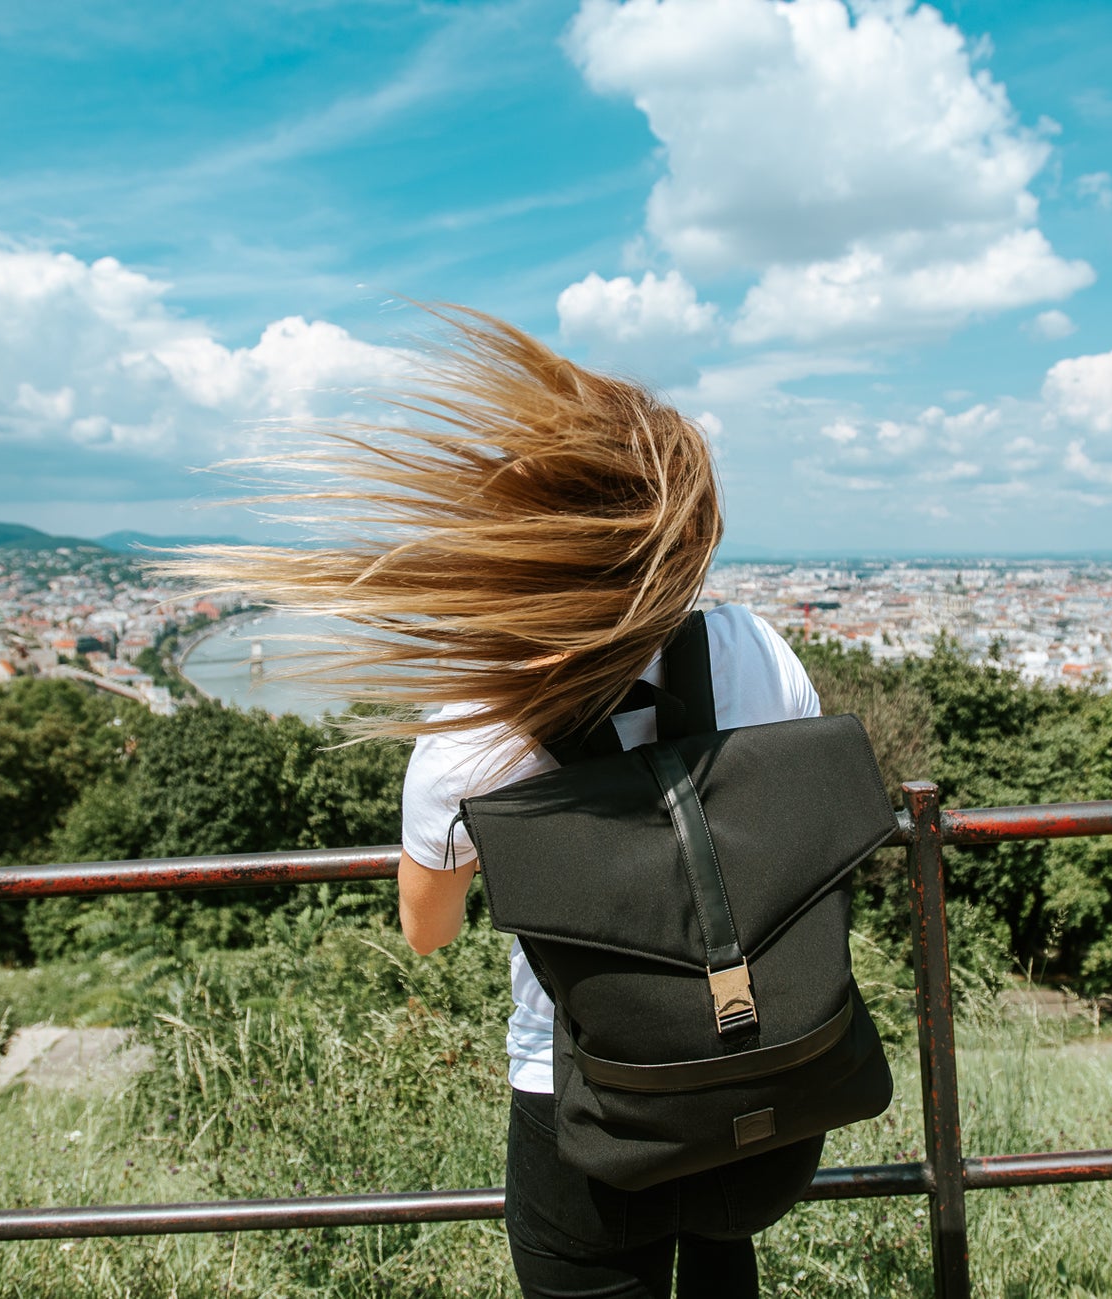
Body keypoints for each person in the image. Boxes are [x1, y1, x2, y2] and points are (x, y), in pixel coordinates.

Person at [177, 307, 829, 1298]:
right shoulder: (750, 649)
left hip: (581, 1095)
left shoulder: (476, 730)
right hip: (752, 1065)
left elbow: (426, 929)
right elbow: (792, 827)